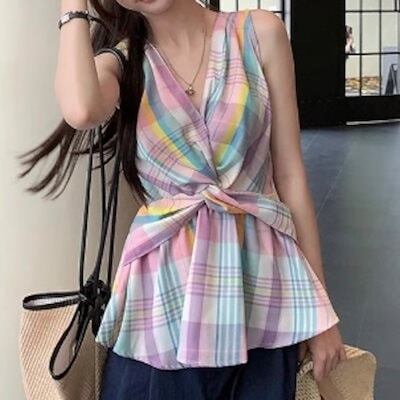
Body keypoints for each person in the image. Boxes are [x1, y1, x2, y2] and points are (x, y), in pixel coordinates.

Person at [18, 0, 347, 398]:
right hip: (164, 303)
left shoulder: (259, 34)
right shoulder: (122, 64)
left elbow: (290, 177)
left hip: (262, 290)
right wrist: (72, 7)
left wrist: (320, 312)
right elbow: (82, 109)